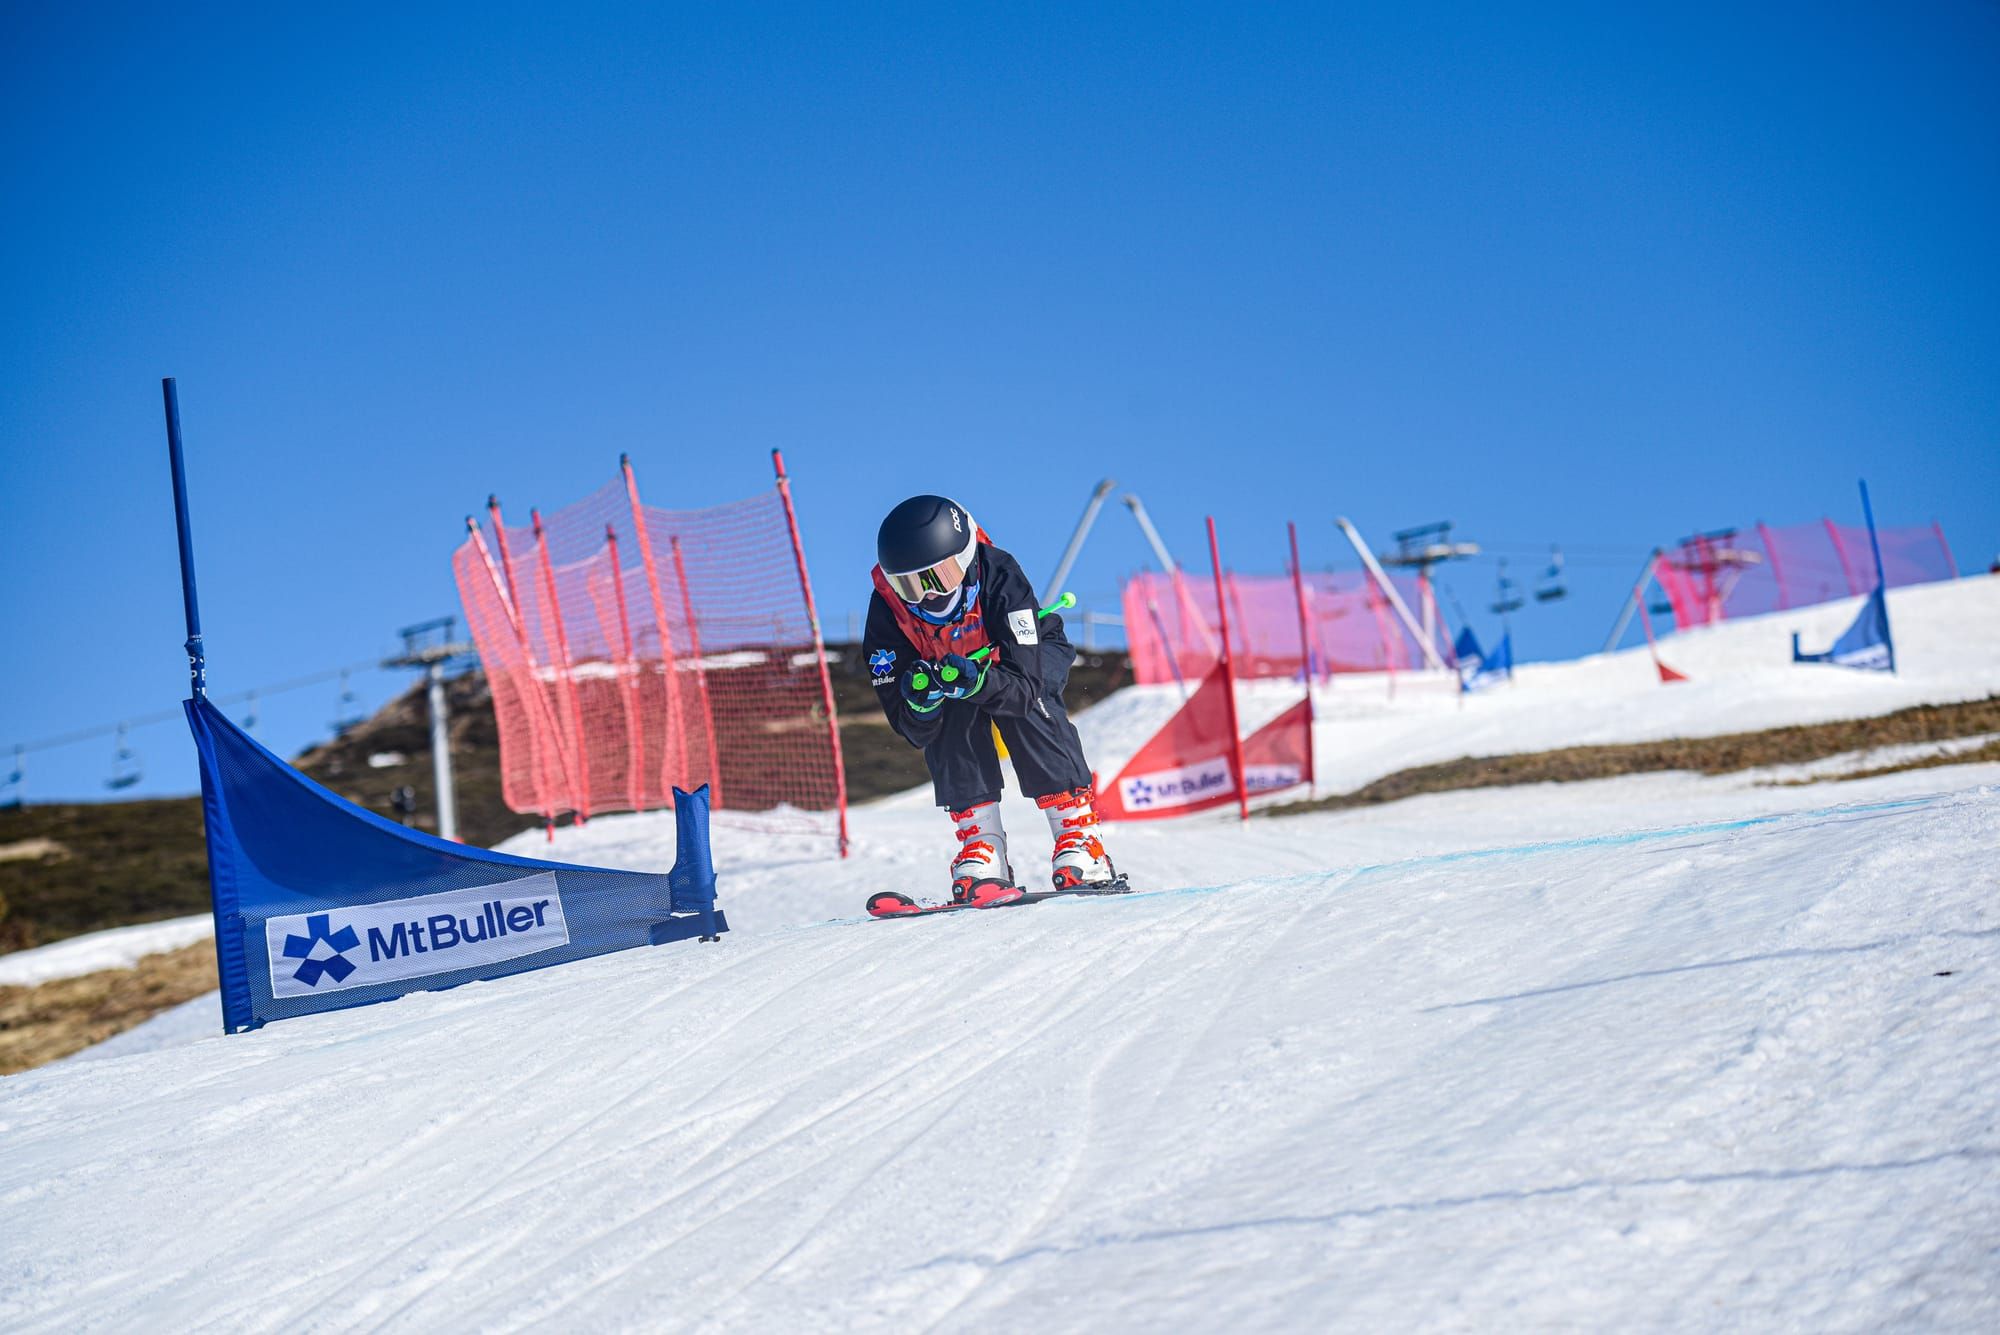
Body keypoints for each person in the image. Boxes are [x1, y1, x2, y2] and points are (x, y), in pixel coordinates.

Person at [864, 494, 1120, 903]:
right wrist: (920, 702)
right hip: (956, 672)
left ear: (965, 559)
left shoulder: (998, 573)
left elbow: (1024, 684)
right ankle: (982, 845)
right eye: (910, 585)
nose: (928, 597)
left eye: (939, 577)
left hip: (1024, 657)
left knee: (1027, 710)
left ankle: (1079, 836)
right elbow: (911, 728)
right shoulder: (888, 614)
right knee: (949, 712)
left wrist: (980, 683)